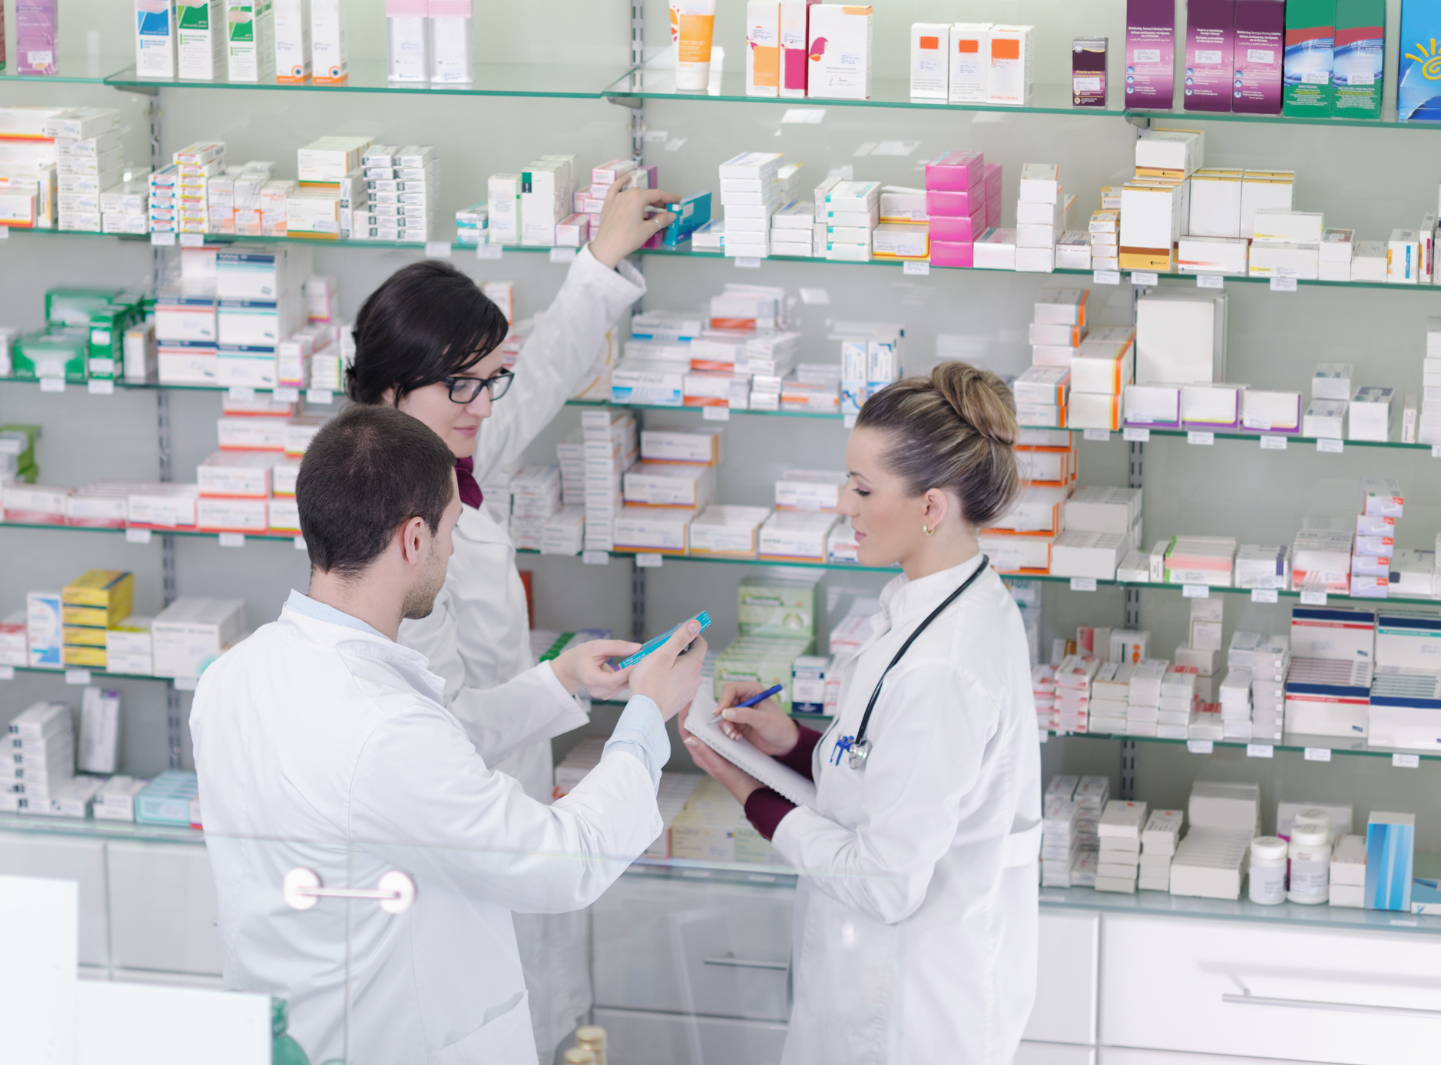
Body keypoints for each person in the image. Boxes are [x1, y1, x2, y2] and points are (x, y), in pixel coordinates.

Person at [190, 405, 710, 1065]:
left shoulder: (234, 675)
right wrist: (645, 720)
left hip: (294, 1033)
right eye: (451, 529)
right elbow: (561, 862)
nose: (453, 550)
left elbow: (417, 777)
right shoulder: (382, 727)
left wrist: (561, 678)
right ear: (413, 540)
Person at [346, 170, 678, 1051]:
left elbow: (543, 376)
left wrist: (601, 260)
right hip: (463, 826)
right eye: (461, 387)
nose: (485, 405)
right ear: (388, 394)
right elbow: (442, 729)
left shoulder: (441, 444)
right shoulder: (390, 535)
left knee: (536, 1013)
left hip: (510, 798)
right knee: (498, 1014)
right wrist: (569, 692)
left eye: (490, 379)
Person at [679, 362, 1043, 1065]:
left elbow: (884, 883)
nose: (845, 503)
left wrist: (744, 789)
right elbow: (887, 767)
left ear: (932, 507)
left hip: (909, 1015)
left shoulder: (945, 664)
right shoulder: (939, 598)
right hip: (873, 984)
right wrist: (787, 740)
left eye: (864, 488)